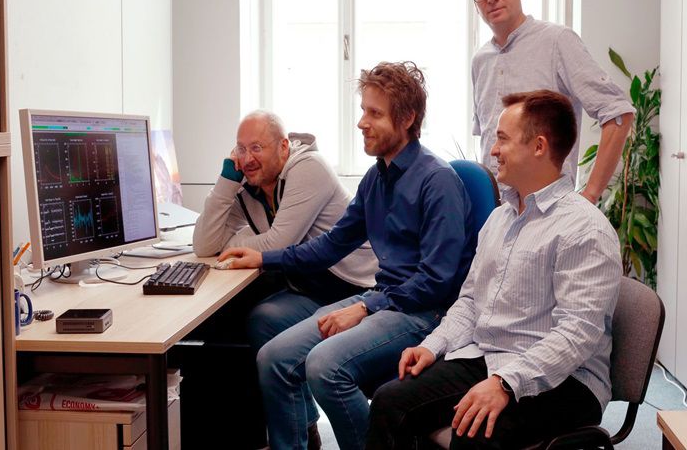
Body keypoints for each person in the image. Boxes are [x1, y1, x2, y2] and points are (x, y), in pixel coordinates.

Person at [220, 61, 477, 450]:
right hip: (384, 301)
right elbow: (331, 244)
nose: (361, 122)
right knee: (273, 358)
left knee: (325, 366)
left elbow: (437, 281)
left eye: (374, 113)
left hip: (424, 312)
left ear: (407, 119)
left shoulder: (437, 181)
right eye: (363, 110)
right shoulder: (377, 178)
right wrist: (264, 259)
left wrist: (366, 308)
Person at [366, 90, 622, 450]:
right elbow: (472, 299)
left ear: (538, 146)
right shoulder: (500, 218)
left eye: (502, 139)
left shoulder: (584, 229)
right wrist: (433, 345)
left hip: (567, 379)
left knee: (475, 435)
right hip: (490, 357)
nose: (493, 150)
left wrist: (505, 383)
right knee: (389, 402)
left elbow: (577, 334)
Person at [192, 110, 379, 448]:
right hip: (313, 287)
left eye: (257, 148)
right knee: (262, 320)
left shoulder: (309, 168)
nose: (247, 159)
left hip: (356, 288)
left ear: (282, 146)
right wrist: (225, 180)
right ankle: (302, 431)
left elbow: (280, 243)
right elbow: (205, 244)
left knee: (273, 344)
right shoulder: (249, 186)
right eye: (240, 149)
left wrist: (230, 246)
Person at [468, 0, 635, 204]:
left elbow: (618, 112)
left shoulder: (557, 42)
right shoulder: (480, 61)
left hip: (549, 211)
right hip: (495, 211)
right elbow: (487, 138)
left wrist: (589, 195)